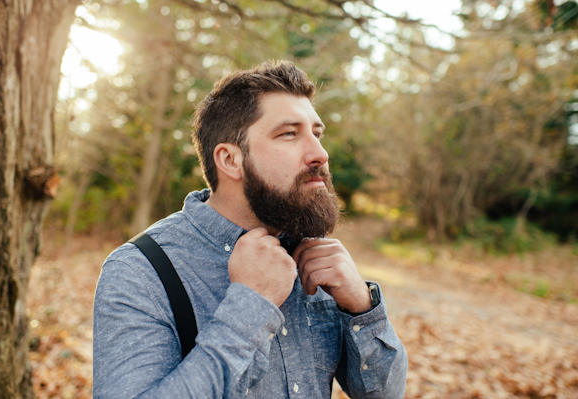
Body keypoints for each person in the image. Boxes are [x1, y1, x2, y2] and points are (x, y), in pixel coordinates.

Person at [93, 60, 407, 399]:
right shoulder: (139, 272)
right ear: (230, 160)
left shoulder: (314, 257)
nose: (320, 153)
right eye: (289, 134)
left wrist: (361, 307)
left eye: (316, 134)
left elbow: (384, 394)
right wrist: (250, 305)